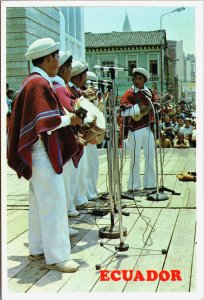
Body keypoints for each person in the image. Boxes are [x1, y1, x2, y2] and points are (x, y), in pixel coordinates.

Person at [7, 38, 80, 273]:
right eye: (57, 56)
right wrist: (71, 119)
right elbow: (45, 123)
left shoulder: (31, 81)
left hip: (36, 152)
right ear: (47, 58)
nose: (59, 62)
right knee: (54, 202)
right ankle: (59, 256)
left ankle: (38, 247)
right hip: (42, 152)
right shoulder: (39, 83)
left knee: (39, 202)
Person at [50, 50, 87, 231]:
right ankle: (63, 226)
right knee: (63, 186)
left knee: (65, 185)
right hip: (60, 141)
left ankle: (64, 224)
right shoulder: (58, 87)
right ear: (62, 69)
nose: (71, 71)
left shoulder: (58, 86)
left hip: (65, 138)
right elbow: (69, 109)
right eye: (69, 67)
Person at [67, 61, 96, 214]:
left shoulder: (75, 90)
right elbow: (75, 111)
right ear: (79, 76)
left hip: (78, 133)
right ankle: (72, 204)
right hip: (74, 134)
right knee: (74, 172)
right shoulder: (68, 90)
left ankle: (80, 198)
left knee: (81, 170)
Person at [120, 67, 156, 191]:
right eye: (135, 78)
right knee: (135, 158)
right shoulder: (129, 93)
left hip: (148, 128)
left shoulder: (149, 92)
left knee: (150, 156)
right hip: (135, 130)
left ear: (144, 80)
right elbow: (123, 112)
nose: (136, 81)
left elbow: (154, 108)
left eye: (139, 78)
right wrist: (139, 110)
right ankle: (134, 185)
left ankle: (150, 183)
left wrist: (155, 107)